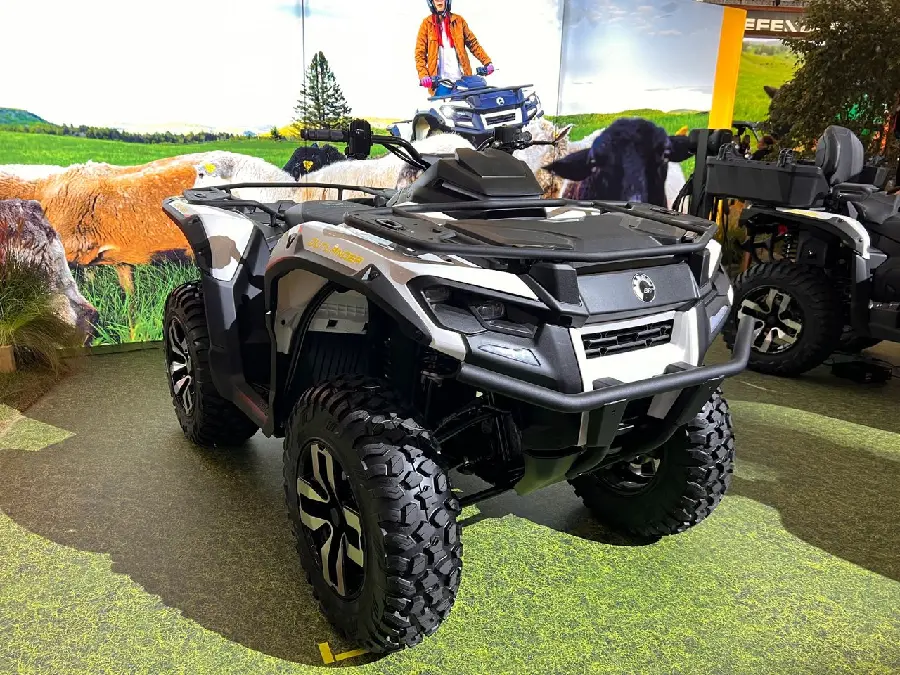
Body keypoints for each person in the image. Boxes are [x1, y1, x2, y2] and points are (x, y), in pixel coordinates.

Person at [415, 0, 494, 97]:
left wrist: (487, 62)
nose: (439, 1)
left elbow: (473, 44)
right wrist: (423, 75)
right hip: (441, 83)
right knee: (440, 106)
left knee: (473, 104)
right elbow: (420, 54)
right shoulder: (426, 24)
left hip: (463, 81)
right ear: (431, 2)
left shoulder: (458, 21)